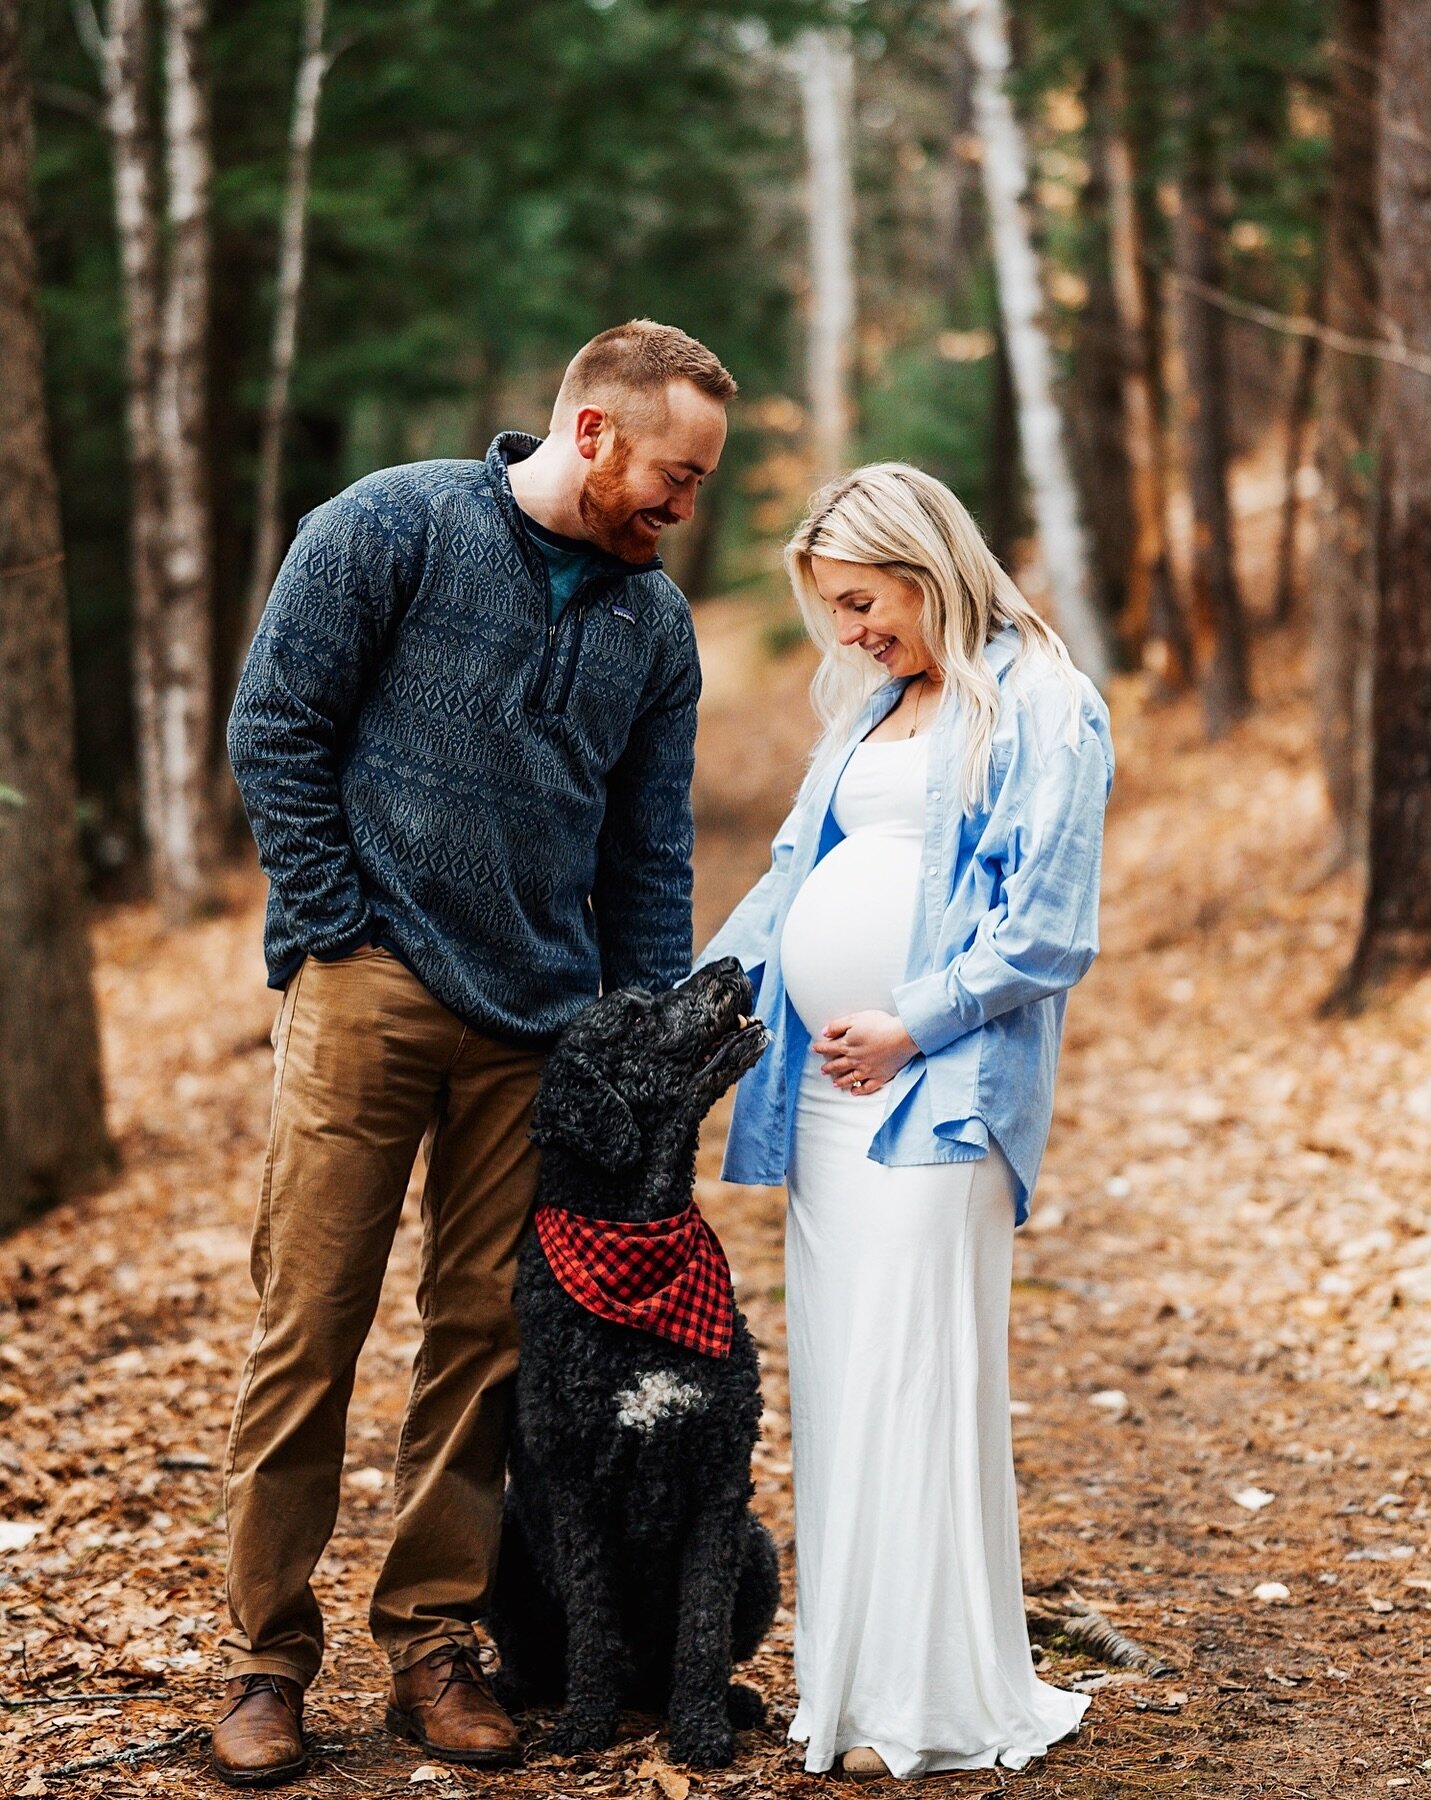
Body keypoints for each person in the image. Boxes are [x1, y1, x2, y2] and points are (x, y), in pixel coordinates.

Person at [213, 320, 733, 1787]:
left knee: (487, 1345)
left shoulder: (655, 630)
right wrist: (334, 930)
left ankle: (433, 1646)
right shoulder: (389, 523)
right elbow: (277, 726)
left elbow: (648, 856)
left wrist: (641, 1059)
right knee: (309, 1323)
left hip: (545, 1038)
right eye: (674, 474)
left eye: (699, 480)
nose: (684, 504)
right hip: (368, 993)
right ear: (592, 434)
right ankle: (264, 1663)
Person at [698, 463, 1113, 1781]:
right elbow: (784, 883)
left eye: (866, 601)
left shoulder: (1045, 703)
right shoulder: (875, 705)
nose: (852, 632)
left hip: (940, 1093)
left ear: (932, 568)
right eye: (833, 610)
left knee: (917, 1374)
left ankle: (935, 1696)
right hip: (826, 1095)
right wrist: (699, 1010)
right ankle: (855, 1688)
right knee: (839, 1377)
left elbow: (1045, 931)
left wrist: (911, 1022)